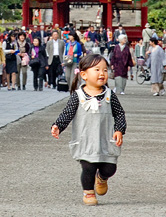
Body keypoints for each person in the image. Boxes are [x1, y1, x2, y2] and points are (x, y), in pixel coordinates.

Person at [50, 54, 126, 206]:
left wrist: (119, 130)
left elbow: (119, 114)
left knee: (110, 167)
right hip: (86, 140)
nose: (102, 73)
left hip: (105, 139)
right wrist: (58, 125)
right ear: (84, 74)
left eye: (105, 70)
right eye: (97, 69)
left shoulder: (110, 95)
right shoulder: (78, 96)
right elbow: (67, 113)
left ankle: (102, 178)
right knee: (88, 167)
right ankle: (88, 192)